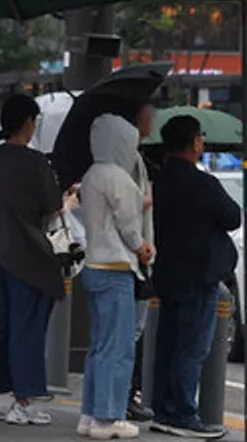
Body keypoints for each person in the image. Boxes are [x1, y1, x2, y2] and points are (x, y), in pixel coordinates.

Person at [0, 94, 63, 426]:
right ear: (27, 122)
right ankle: (22, 402)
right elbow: (51, 209)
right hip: (28, 256)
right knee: (26, 327)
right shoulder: (36, 163)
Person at [150, 116, 241, 439]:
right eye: (199, 138)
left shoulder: (159, 182)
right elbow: (233, 216)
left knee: (168, 344)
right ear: (194, 143)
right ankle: (183, 413)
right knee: (191, 348)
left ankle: (163, 408)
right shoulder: (201, 184)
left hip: (165, 273)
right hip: (199, 275)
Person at [76, 114, 154, 440]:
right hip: (116, 269)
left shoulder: (92, 174)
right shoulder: (118, 177)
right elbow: (129, 226)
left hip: (93, 265)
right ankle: (109, 418)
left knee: (99, 347)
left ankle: (90, 413)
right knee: (119, 348)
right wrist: (142, 248)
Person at [128, 103, 156, 422]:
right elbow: (130, 206)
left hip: (135, 256)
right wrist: (140, 246)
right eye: (149, 114)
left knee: (130, 334)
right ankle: (123, 399)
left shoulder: (138, 159)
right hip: (133, 258)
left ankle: (123, 398)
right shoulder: (130, 160)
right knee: (129, 335)